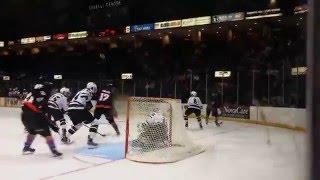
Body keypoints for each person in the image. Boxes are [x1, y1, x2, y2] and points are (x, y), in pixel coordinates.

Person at [21, 83, 62, 157]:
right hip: (34, 116)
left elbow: (25, 105)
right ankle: (53, 150)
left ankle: (26, 147)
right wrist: (51, 125)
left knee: (32, 131)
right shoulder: (43, 95)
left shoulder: (30, 94)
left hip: (24, 117)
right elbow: (42, 113)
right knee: (46, 132)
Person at [62, 82, 97, 147]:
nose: (95, 90)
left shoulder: (81, 91)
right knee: (95, 123)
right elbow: (87, 105)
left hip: (70, 109)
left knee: (78, 125)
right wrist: (86, 116)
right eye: (94, 88)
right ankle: (90, 140)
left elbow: (87, 104)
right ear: (90, 88)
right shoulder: (89, 93)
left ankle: (65, 137)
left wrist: (85, 115)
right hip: (78, 108)